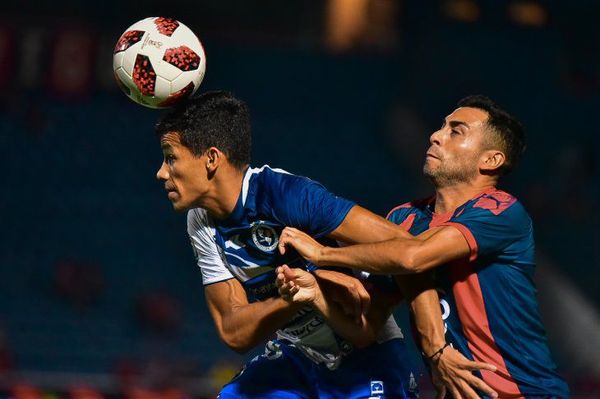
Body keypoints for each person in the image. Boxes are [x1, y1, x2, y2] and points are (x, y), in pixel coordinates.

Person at [154, 91, 495, 398]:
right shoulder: (200, 220)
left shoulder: (287, 195)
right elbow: (234, 332)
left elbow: (406, 250)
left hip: (367, 357)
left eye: (171, 158)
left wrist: (436, 348)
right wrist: (295, 295)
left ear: (211, 158)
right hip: (296, 356)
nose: (161, 173)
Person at [277, 95, 570, 398]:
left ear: (491, 160)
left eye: (456, 131)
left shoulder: (501, 211)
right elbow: (364, 331)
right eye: (442, 126)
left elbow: (412, 257)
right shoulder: (404, 218)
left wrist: (324, 253)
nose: (436, 135)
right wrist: (315, 294)